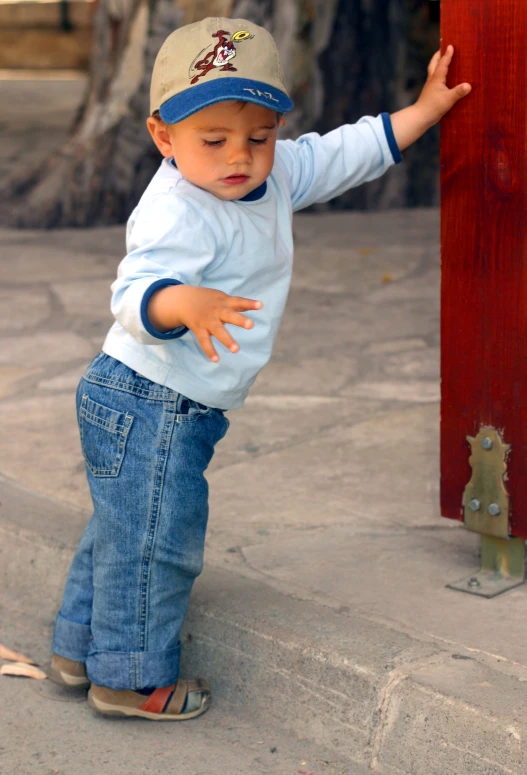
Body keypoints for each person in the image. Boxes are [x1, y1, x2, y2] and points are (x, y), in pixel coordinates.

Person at [48, 16, 470, 720]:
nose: (238, 156)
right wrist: (187, 303)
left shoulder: (274, 175)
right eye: (211, 140)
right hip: (149, 399)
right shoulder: (175, 210)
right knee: (158, 543)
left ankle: (77, 648)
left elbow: (344, 153)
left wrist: (424, 110)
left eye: (259, 136)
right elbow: (133, 293)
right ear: (164, 137)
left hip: (166, 402)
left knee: (122, 529)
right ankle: (129, 677)